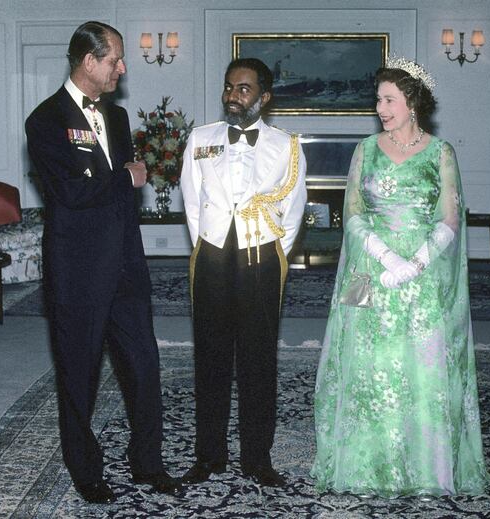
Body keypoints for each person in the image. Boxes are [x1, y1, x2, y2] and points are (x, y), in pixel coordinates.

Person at [310, 57, 490, 498]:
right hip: (368, 273)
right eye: (378, 99)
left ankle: (425, 469)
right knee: (366, 368)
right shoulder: (365, 151)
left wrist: (415, 264)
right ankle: (366, 466)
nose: (381, 108)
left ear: (413, 103)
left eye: (389, 99)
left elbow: (450, 219)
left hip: (423, 278)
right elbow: (351, 214)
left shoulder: (441, 152)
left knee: (421, 370)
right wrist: (387, 258)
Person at [25, 21, 181, 504]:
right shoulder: (45, 120)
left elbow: (112, 192)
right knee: (79, 372)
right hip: (78, 270)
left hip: (125, 266)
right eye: (114, 59)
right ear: (88, 61)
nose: (122, 67)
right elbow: (69, 193)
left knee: (144, 364)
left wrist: (121, 186)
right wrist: (127, 177)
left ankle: (147, 462)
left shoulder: (115, 116)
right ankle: (85, 469)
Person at [180, 58, 307, 487]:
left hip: (260, 261)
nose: (233, 96)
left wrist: (270, 254)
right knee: (210, 361)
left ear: (264, 97)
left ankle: (257, 458)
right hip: (213, 257)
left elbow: (293, 211)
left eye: (244, 89)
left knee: (258, 362)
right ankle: (208, 455)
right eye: (229, 87)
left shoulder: (286, 145)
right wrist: (212, 244)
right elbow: (192, 201)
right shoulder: (200, 138)